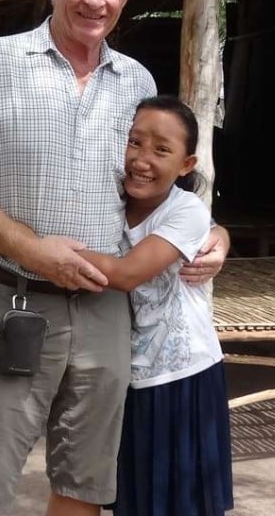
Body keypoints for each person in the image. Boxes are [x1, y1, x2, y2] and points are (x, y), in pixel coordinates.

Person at [0, 0, 230, 516]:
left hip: (106, 313)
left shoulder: (136, 81)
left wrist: (214, 231)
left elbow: (158, 190)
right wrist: (29, 248)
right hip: (13, 299)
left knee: (85, 483)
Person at [78, 96, 233, 516]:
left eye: (161, 150)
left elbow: (127, 273)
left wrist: (38, 250)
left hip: (183, 375)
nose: (142, 159)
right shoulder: (106, 201)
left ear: (186, 164)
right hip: (125, 374)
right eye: (135, 143)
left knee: (183, 502)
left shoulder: (185, 211)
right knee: (135, 497)